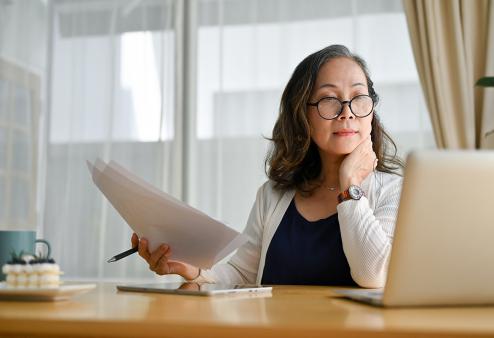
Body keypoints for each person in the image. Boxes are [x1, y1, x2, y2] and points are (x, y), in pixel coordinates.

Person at [131, 44, 404, 288]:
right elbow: (241, 274)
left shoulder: (394, 190)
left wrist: (350, 187)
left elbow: (374, 275)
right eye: (329, 100)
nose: (347, 111)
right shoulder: (272, 195)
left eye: (358, 97)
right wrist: (194, 271)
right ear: (303, 115)